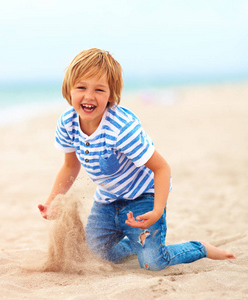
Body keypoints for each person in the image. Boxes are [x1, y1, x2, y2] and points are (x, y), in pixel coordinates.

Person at [38, 48, 235, 270]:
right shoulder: (68, 123)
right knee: (93, 257)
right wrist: (52, 201)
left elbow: (162, 168)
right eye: (81, 87)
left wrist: (157, 210)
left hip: (143, 197)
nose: (89, 96)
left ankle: (201, 247)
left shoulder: (121, 128)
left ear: (111, 95)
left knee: (154, 263)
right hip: (107, 202)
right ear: (69, 90)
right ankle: (134, 244)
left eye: (99, 89)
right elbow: (70, 165)